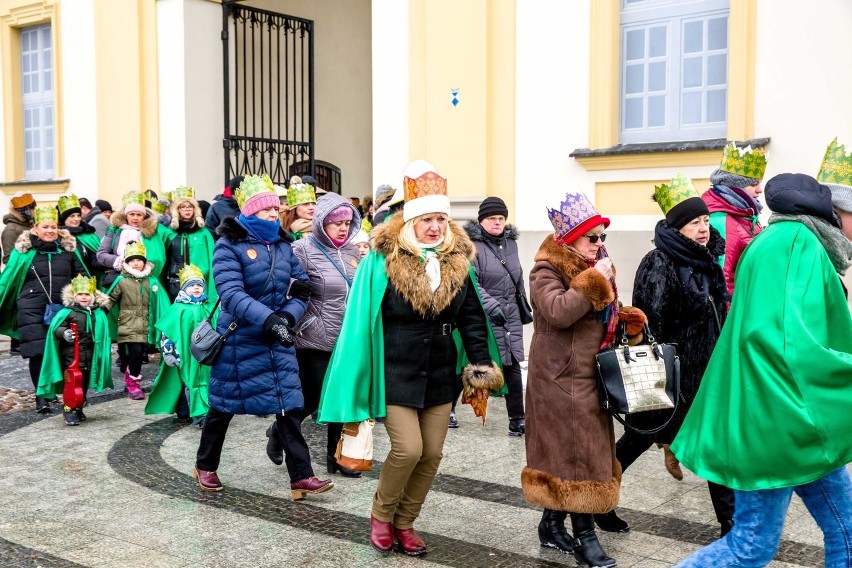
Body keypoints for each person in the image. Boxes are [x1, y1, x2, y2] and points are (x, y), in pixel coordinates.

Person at [317, 160, 503, 556]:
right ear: (409, 221)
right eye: (427, 220)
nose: (435, 227)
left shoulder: (457, 260)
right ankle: (382, 515)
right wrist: (361, 371)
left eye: (441, 219)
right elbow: (362, 319)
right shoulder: (382, 261)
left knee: (433, 452)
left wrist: (481, 365)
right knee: (409, 449)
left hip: (438, 371)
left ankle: (406, 522)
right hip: (395, 369)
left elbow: (471, 318)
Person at [671, 171, 852, 567]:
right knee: (751, 546)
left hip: (790, 421)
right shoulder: (797, 243)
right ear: (839, 212)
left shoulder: (778, 238)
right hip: (780, 422)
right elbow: (790, 343)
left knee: (846, 528)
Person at [599, 174, 734, 537]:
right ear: (678, 227)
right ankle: (598, 502)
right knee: (638, 439)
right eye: (695, 223)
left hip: (705, 371)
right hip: (670, 373)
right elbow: (651, 322)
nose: (704, 229)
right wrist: (666, 370)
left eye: (706, 221)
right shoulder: (659, 262)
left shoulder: (706, 260)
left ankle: (729, 522)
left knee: (712, 442)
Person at [522, 191, 644, 568]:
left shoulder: (596, 265)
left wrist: (627, 318)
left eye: (602, 237)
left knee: (575, 453)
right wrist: (594, 281)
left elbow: (600, 317)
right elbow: (559, 311)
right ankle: (586, 539)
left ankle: (551, 523)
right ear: (569, 239)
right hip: (558, 378)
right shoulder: (545, 270)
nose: (599, 244)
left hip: (591, 375)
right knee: (578, 457)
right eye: (592, 237)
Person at [193, 174, 328, 499]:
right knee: (223, 406)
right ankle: (205, 465)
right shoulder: (229, 245)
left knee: (287, 405)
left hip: (278, 338)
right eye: (266, 208)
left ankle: (301, 477)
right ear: (251, 211)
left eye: (274, 207)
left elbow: (301, 289)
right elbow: (230, 294)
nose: (273, 212)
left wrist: (286, 317)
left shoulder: (282, 245)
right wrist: (268, 319)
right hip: (239, 340)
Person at [265, 193, 363, 477]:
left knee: (341, 397)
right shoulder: (301, 249)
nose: (343, 228)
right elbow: (287, 287)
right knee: (314, 398)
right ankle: (279, 432)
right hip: (313, 338)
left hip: (346, 339)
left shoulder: (353, 253)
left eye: (347, 223)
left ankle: (338, 458)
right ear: (321, 223)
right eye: (336, 223)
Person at [0, 206, 85, 412]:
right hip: (31, 309)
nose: (49, 230)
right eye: (45, 227)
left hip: (62, 309)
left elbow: (82, 277)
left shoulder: (68, 251)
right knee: (37, 352)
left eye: (53, 227)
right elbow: (8, 280)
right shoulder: (23, 254)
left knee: (65, 351)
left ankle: (67, 394)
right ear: (35, 229)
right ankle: (41, 396)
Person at [458, 196, 528, 435]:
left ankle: (518, 418)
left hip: (510, 314)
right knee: (474, 362)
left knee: (512, 363)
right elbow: (472, 281)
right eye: (491, 218)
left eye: (501, 218)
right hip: (484, 314)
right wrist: (490, 305)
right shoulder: (471, 246)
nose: (497, 223)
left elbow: (516, 276)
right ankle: (448, 409)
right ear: (481, 221)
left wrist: (523, 306)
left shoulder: (511, 243)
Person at [37, 275, 112, 425]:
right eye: (80, 295)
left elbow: (102, 334)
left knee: (83, 382)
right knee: (71, 383)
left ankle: (78, 406)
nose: (83, 298)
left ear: (93, 296)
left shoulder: (98, 313)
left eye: (87, 295)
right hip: (70, 355)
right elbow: (56, 328)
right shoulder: (68, 312)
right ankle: (69, 409)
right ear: (74, 296)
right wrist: (63, 333)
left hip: (90, 355)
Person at [102, 241, 170, 400]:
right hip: (126, 323)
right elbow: (111, 298)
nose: (136, 263)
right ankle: (129, 376)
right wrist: (101, 312)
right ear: (126, 262)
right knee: (126, 355)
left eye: (139, 260)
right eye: (132, 260)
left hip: (144, 324)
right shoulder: (122, 281)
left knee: (138, 353)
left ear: (144, 261)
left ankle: (133, 382)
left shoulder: (151, 281)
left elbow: (161, 301)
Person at [146, 264, 213, 426]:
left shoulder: (208, 307)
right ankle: (189, 412)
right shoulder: (177, 309)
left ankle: (203, 412)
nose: (196, 288)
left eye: (199, 285)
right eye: (192, 286)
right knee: (186, 381)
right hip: (184, 354)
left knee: (203, 381)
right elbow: (167, 332)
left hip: (205, 355)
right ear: (184, 288)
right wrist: (169, 352)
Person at [702, 142, 767, 296]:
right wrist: (730, 317)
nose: (760, 190)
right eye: (753, 184)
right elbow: (722, 279)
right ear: (736, 186)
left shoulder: (746, 214)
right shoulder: (721, 219)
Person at [96, 191, 175, 288]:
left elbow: (158, 257)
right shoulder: (115, 231)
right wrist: (119, 261)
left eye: (139, 215)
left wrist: (143, 266)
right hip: (120, 280)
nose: (135, 218)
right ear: (126, 215)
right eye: (132, 214)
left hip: (146, 280)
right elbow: (101, 254)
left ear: (144, 216)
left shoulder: (151, 232)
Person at [164, 186, 216, 301]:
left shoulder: (203, 233)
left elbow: (212, 259)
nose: (187, 209)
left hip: (199, 284)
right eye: (183, 207)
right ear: (177, 210)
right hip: (175, 283)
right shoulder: (169, 233)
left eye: (190, 206)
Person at [58, 194, 100, 275]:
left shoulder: (88, 235)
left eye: (78, 215)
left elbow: (94, 259)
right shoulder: (58, 237)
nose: (76, 219)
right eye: (72, 216)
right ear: (64, 219)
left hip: (88, 280)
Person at [2, 192, 35, 265]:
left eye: (32, 206)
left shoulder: (29, 224)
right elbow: (9, 259)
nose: (31, 210)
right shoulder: (11, 230)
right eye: (30, 207)